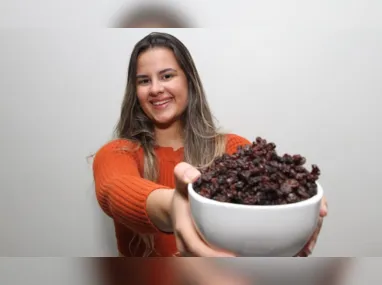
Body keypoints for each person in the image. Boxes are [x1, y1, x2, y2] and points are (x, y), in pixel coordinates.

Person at [92, 31, 328, 259]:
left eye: (167, 76)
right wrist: (176, 206)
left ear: (189, 80)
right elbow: (115, 190)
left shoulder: (232, 148)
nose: (155, 89)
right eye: (144, 81)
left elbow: (271, 189)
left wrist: (304, 203)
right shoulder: (116, 153)